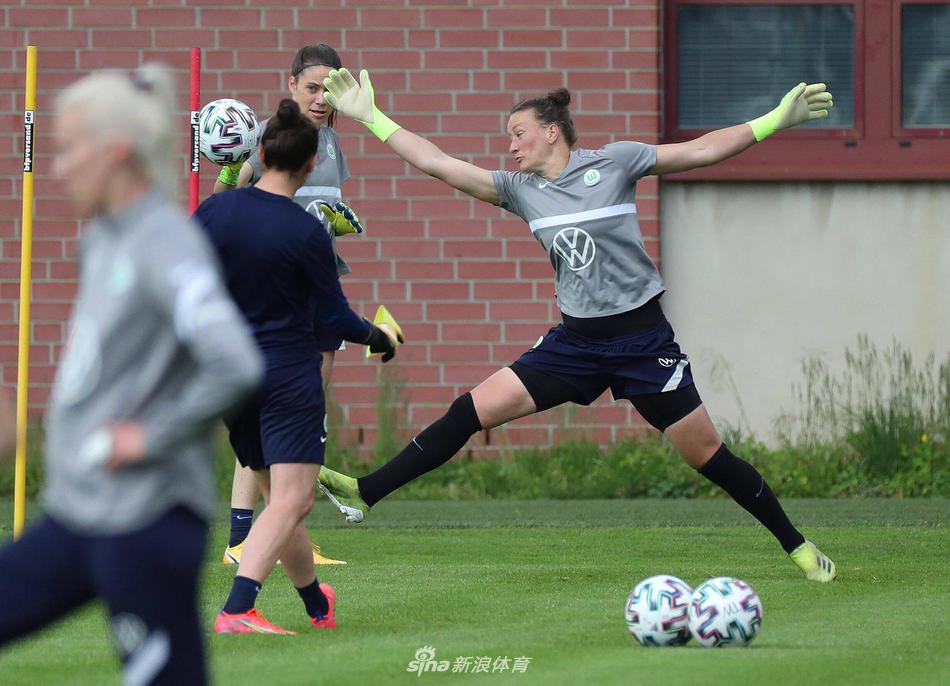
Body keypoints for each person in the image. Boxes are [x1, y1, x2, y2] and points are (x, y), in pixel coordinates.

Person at [316, 68, 838, 583]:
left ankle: (798, 547)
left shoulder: (616, 162)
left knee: (706, 455)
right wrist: (371, 117)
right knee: (471, 410)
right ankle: (366, 493)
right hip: (576, 344)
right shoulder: (519, 190)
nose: (511, 148)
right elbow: (438, 163)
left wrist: (775, 120)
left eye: (518, 135)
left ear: (551, 130)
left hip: (642, 341)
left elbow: (701, 150)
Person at [0, 65, 263, 684]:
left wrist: (148, 435)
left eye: (69, 151)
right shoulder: (104, 240)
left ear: (116, 154)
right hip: (80, 514)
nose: (57, 168)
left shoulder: (164, 244)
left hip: (144, 521)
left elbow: (236, 361)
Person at [195, 99, 401, 635]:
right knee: (293, 499)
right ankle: (239, 608)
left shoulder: (214, 213)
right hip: (287, 376)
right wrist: (378, 336)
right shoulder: (307, 232)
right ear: (312, 164)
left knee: (276, 500)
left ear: (259, 154)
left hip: (229, 377)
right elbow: (332, 315)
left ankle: (316, 601)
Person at [213, 44, 364, 567]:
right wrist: (231, 171)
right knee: (271, 417)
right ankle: (242, 539)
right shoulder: (265, 136)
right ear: (292, 82)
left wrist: (334, 219)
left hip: (317, 290)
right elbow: (228, 195)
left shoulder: (333, 143)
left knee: (305, 415)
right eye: (312, 87)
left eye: (330, 88)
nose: (322, 98)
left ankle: (264, 536)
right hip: (275, 298)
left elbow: (317, 207)